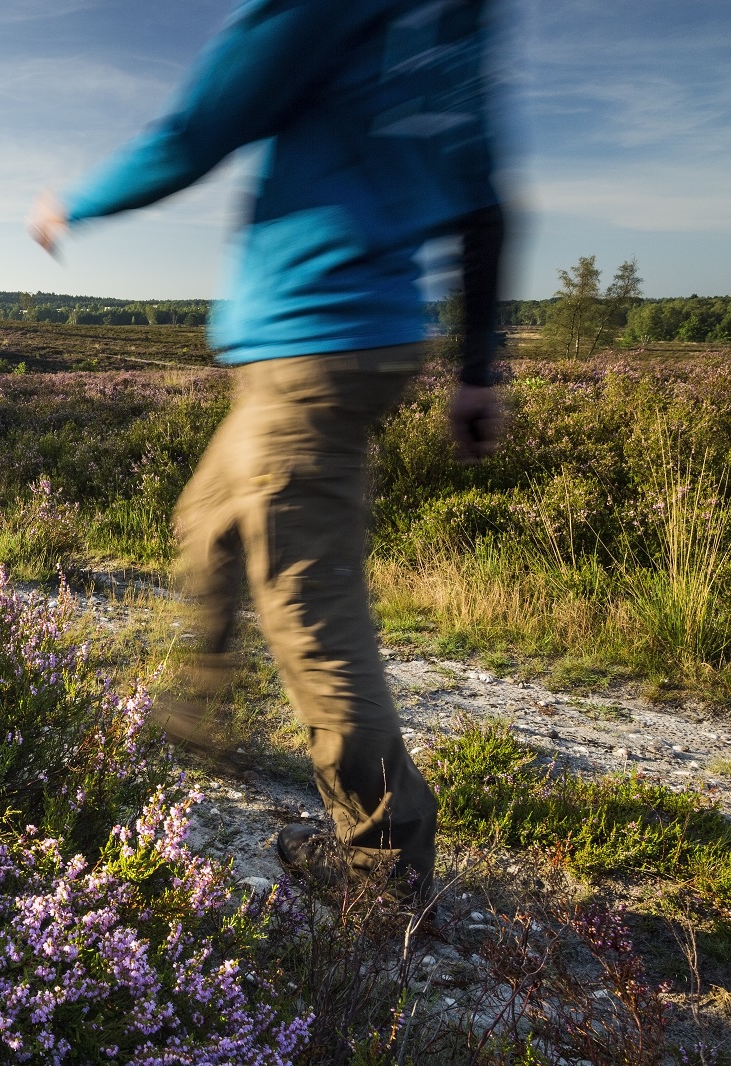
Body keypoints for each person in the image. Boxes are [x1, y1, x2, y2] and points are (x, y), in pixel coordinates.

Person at [28, 0, 506, 903]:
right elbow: (487, 207)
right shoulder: (454, 29)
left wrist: (73, 202)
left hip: (313, 349)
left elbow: (194, 131)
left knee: (311, 615)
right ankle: (203, 712)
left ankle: (386, 863)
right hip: (334, 345)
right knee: (207, 519)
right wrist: (476, 369)